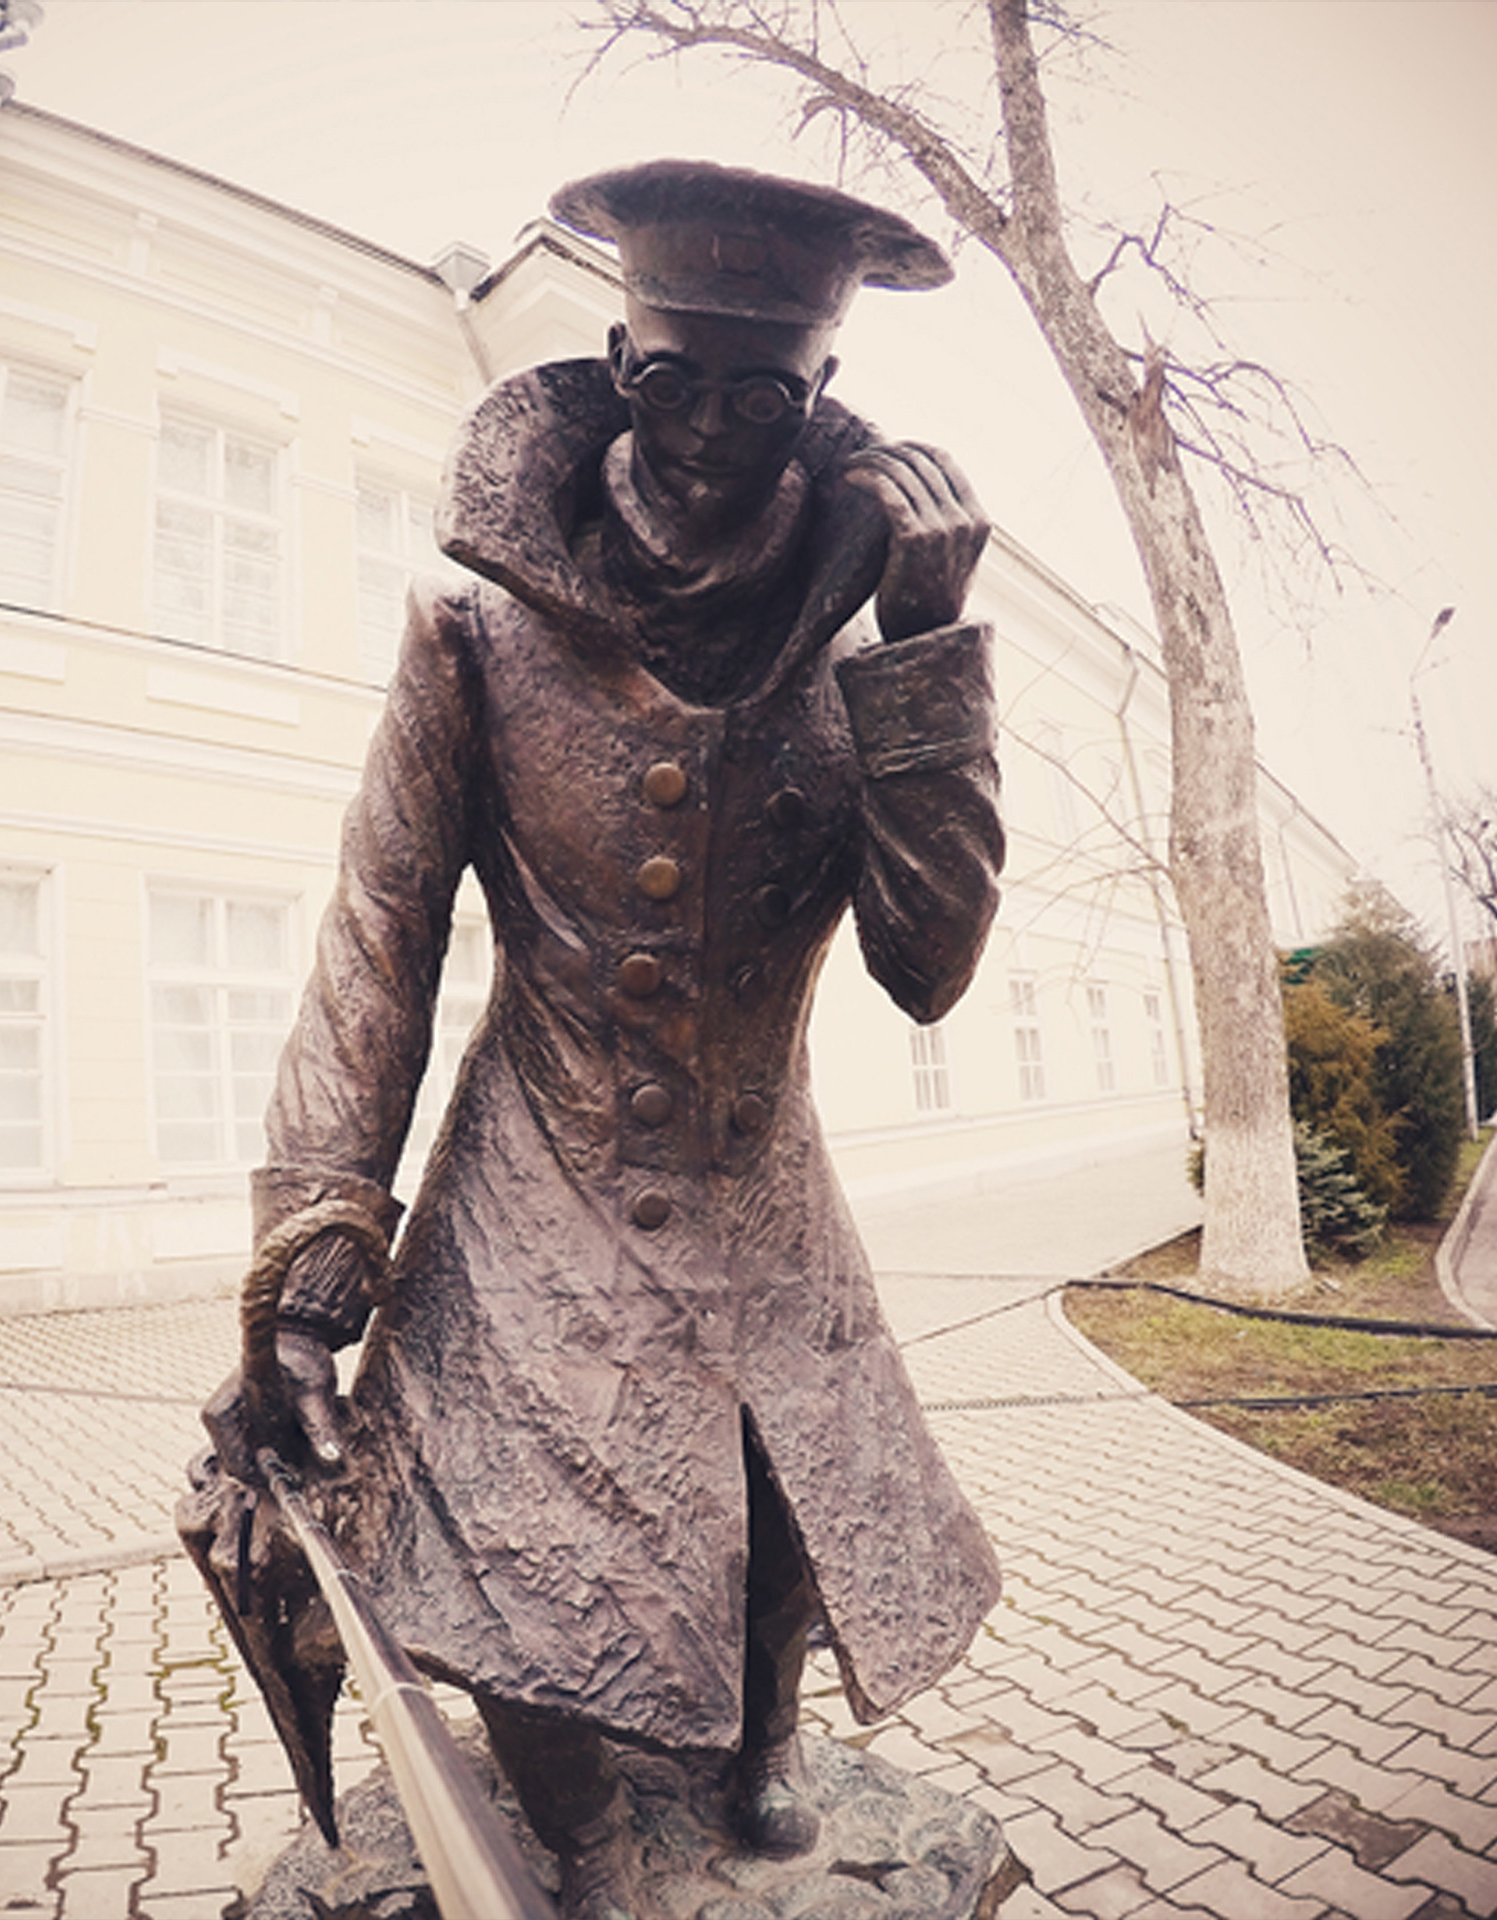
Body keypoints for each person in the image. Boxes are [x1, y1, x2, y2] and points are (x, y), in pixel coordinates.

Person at [238, 160, 1005, 1919]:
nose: (714, 427)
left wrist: (932, 652)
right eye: (675, 376)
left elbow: (931, 967)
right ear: (617, 354)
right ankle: (575, 1820)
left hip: (756, 1161)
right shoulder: (475, 629)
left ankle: (762, 1746)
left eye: (764, 390)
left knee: (787, 1496)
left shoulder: (867, 631)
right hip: (536, 1159)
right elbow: (381, 927)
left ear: (822, 400)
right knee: (512, 1524)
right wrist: (315, 1240)